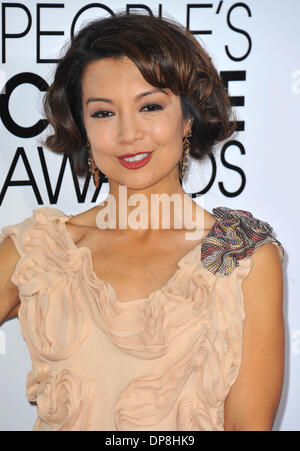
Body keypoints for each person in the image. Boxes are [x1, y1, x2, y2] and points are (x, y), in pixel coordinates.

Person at [0, 12, 285, 431]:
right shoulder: (40, 250)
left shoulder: (241, 256)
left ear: (187, 117)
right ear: (82, 128)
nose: (129, 133)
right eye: (103, 113)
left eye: (150, 106)